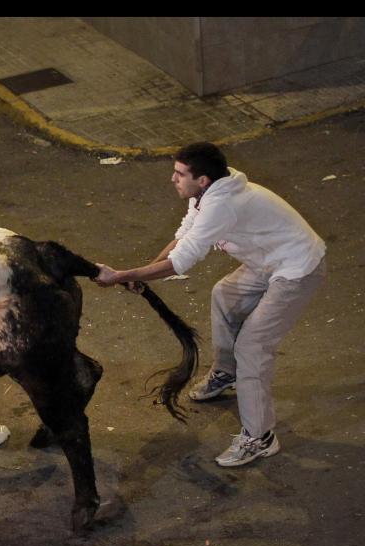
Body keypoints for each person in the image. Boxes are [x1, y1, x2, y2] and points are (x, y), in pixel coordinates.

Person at [93, 142, 326, 468]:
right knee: (225, 294)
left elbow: (180, 262)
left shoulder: (222, 205)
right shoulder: (206, 196)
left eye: (179, 174)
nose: (172, 179)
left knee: (253, 346)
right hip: (267, 262)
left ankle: (261, 437)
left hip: (297, 269)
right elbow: (184, 238)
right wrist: (145, 271)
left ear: (202, 180)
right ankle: (227, 374)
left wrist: (122, 275)